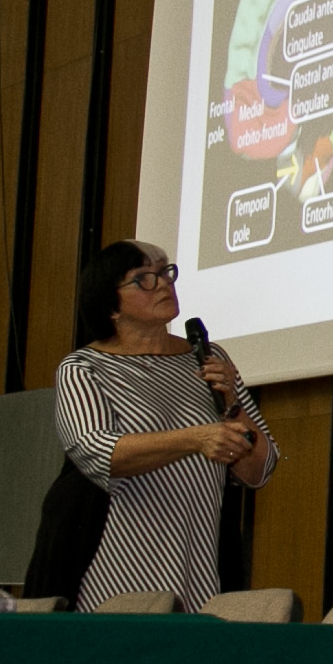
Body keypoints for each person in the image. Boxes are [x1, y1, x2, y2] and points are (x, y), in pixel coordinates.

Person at [53, 241, 275, 610]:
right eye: (144, 279)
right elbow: (98, 452)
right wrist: (195, 439)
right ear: (111, 305)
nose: (163, 285)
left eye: (165, 273)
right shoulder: (84, 368)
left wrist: (231, 401)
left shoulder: (207, 357)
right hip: (117, 568)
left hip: (201, 567)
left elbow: (260, 470)